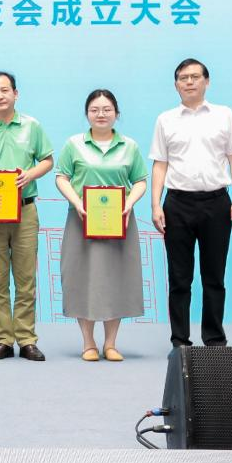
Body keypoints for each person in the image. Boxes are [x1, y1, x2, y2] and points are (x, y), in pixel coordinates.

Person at [149, 58, 232, 347]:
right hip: (177, 204)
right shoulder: (165, 119)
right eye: (183, 78)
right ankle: (180, 340)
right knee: (179, 278)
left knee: (214, 276)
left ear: (207, 81)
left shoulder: (224, 115)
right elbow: (160, 164)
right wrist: (155, 204)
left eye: (195, 76)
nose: (189, 82)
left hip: (216, 203)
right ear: (176, 85)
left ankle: (214, 339)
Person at [0, 71, 54, 361]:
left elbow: (48, 160)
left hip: (25, 210)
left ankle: (27, 339)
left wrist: (31, 174)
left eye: (5, 90)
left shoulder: (32, 126)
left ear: (16, 94)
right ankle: (3, 339)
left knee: (26, 278)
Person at [54, 89, 149, 361]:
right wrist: (77, 203)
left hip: (119, 221)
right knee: (82, 278)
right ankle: (88, 343)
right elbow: (61, 177)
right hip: (82, 220)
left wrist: (128, 203)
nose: (101, 114)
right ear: (87, 114)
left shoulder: (129, 146)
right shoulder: (74, 144)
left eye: (107, 109)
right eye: (94, 110)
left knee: (116, 278)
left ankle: (110, 344)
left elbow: (140, 180)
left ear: (117, 113)